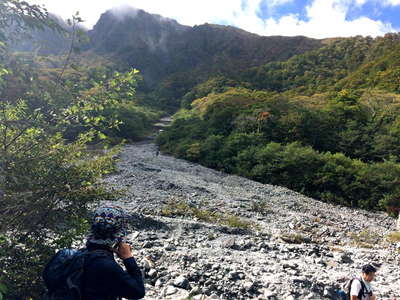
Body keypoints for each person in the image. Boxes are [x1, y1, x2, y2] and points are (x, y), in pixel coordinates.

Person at [82, 205, 145, 300]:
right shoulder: (106, 266)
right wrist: (128, 259)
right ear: (119, 233)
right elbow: (138, 292)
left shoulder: (75, 256)